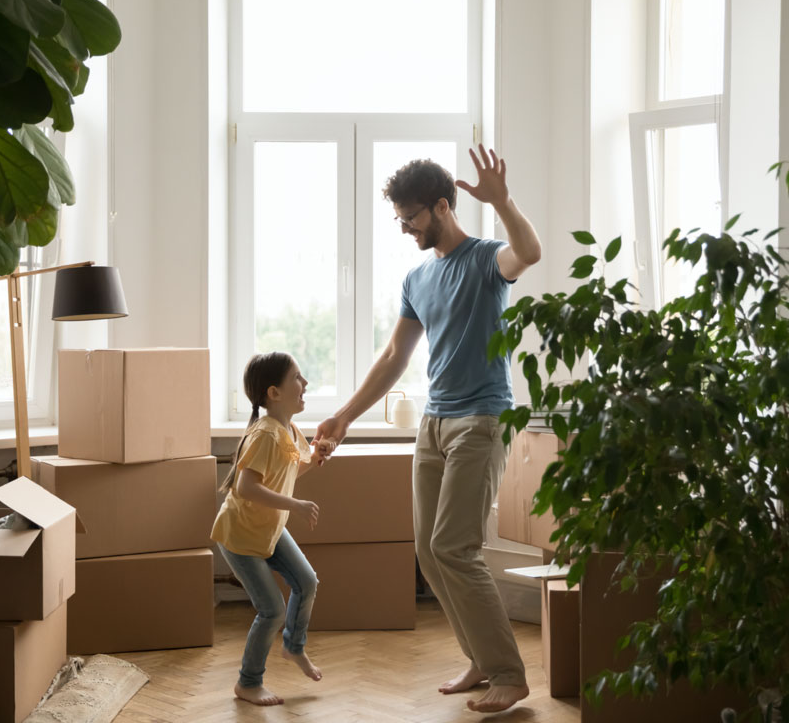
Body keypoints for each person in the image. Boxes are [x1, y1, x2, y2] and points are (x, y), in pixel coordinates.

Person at [317, 145, 542, 714]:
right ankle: (480, 658)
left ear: (442, 207)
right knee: (429, 549)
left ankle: (510, 675)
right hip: (435, 422)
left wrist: (505, 201)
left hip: (482, 420)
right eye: (398, 218)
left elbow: (529, 252)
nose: (403, 228)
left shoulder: (487, 260)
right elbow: (395, 354)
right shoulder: (418, 277)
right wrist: (344, 416)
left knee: (454, 547)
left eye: (410, 217)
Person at [211, 352, 334, 706]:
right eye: (297, 377)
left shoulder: (288, 430)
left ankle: (293, 648)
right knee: (272, 609)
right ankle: (247, 683)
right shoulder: (265, 434)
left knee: (307, 581)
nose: (305, 383)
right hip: (241, 536)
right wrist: (295, 505)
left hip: (268, 528)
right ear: (273, 393)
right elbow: (244, 487)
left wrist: (317, 456)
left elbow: (291, 472)